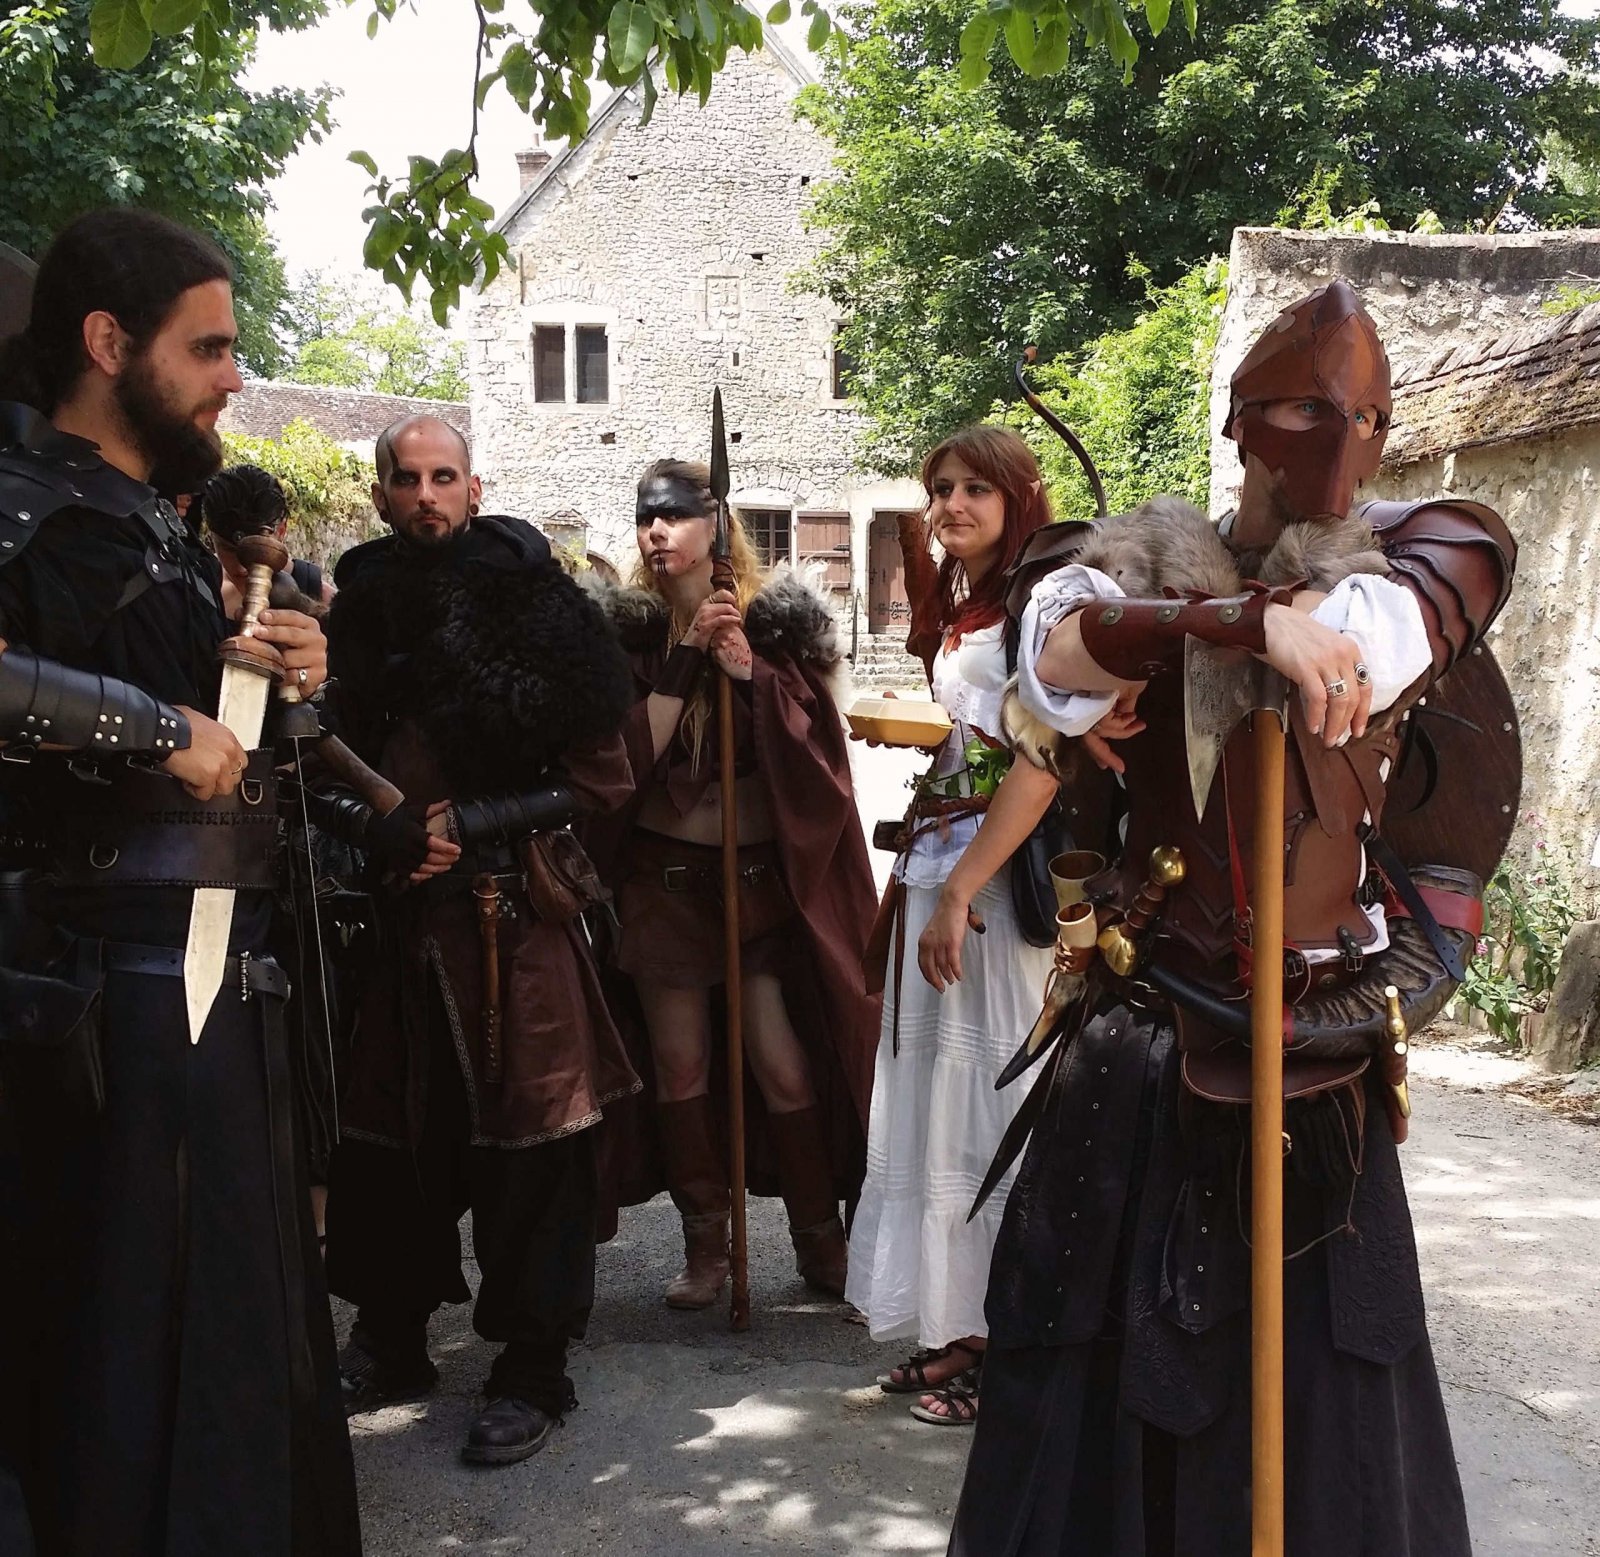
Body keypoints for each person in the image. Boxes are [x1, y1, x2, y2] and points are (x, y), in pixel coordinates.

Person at [947, 280, 1516, 1554]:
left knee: (1325, 1396)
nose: (1341, 438)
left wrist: (1251, 631)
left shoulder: (1430, 551)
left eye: (1367, 414)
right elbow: (1049, 653)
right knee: (1098, 1385)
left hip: (1313, 1046)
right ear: (1244, 424)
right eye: (1308, 410)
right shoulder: (1120, 560)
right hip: (1143, 1035)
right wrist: (1230, 617)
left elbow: (1377, 637)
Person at [0, 209, 360, 1556]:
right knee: (118, 1358)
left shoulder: (159, 524)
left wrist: (282, 683)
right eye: (208, 346)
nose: (234, 376)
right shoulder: (22, 505)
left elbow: (232, 757)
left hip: (213, 982)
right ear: (106, 343)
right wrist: (162, 727)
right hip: (95, 997)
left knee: (234, 1345)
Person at [317, 414, 641, 1467]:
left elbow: (600, 779)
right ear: (380, 495)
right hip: (398, 924)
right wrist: (380, 832)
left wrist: (468, 825)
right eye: (405, 479)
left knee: (532, 1145)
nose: (424, 495)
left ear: (473, 485)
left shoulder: (539, 611)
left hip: (511, 927)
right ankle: (394, 1338)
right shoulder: (357, 610)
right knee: (387, 1138)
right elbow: (327, 766)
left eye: (442, 477)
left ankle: (533, 1366)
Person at [585, 459, 879, 1309]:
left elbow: (818, 761)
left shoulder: (776, 631)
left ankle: (819, 1239)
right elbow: (622, 764)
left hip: (754, 886)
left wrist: (752, 673)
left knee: (783, 1063)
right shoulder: (631, 638)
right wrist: (682, 659)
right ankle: (706, 1244)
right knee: (680, 1067)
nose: (657, 532)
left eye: (676, 516)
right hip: (664, 884)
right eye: (647, 517)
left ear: (717, 527)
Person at [844, 426, 1075, 1426]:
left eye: (976, 487)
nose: (951, 505)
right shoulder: (972, 605)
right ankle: (963, 1329)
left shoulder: (1047, 601)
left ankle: (1018, 1348)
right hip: (943, 859)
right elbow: (982, 748)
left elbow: (1043, 754)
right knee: (938, 1111)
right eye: (940, 488)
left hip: (991, 880)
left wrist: (957, 885)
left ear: (1020, 495)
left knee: (992, 1109)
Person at [199, 461, 337, 617]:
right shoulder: (196, 594)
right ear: (212, 536)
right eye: (228, 549)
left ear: (281, 531)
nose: (241, 568)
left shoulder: (324, 598)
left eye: (257, 548)